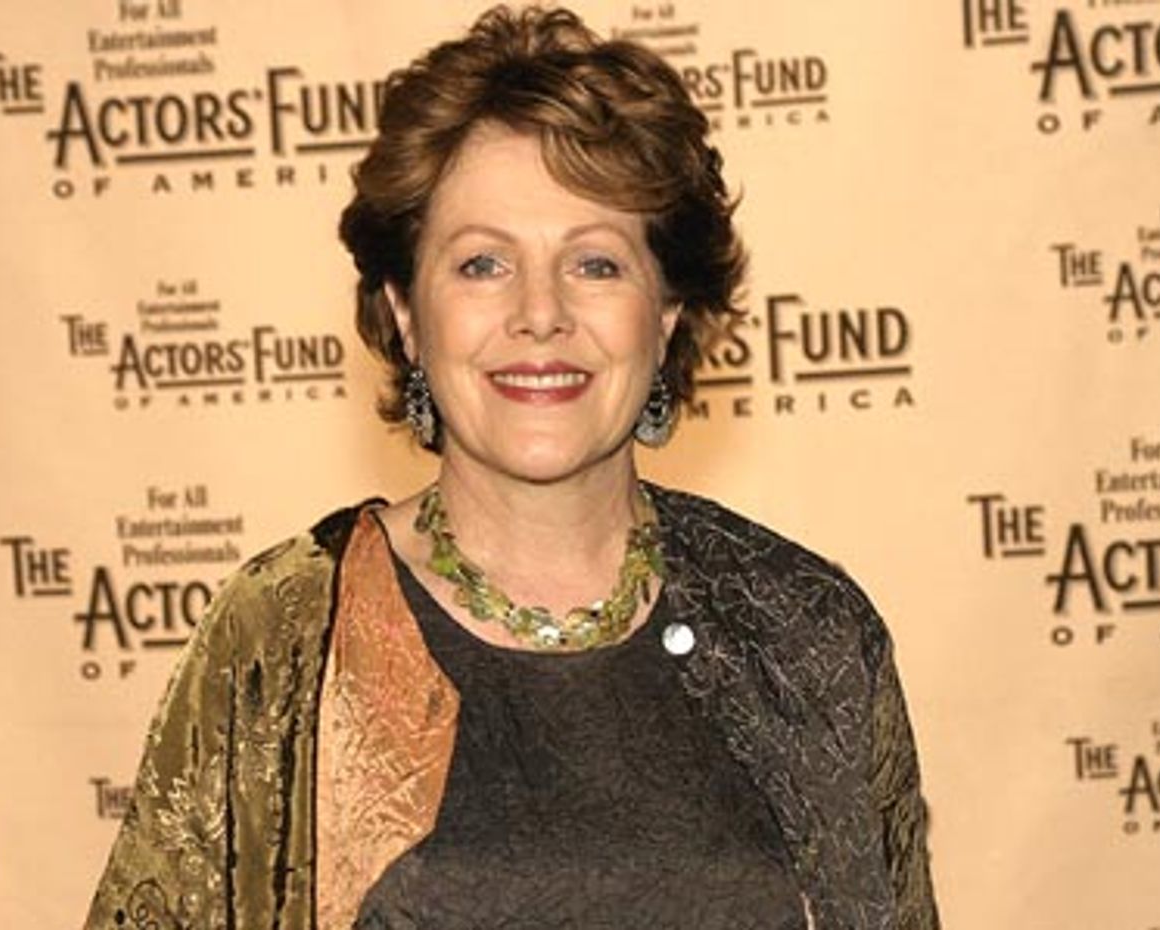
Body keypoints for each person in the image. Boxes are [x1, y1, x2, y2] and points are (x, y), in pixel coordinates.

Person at [83, 6, 939, 929]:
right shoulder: (285, 637)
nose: (540, 313)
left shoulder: (806, 631)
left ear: (665, 315)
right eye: (484, 263)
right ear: (405, 312)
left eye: (596, 264)